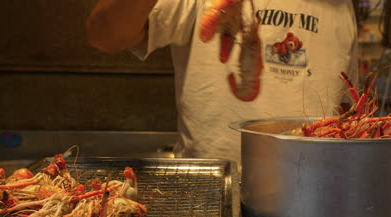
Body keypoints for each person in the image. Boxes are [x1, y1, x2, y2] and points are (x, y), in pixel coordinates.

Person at [87, 0, 358, 166]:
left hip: (312, 193)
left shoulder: (341, 6)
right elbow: (105, 35)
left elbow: (346, 107)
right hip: (209, 197)